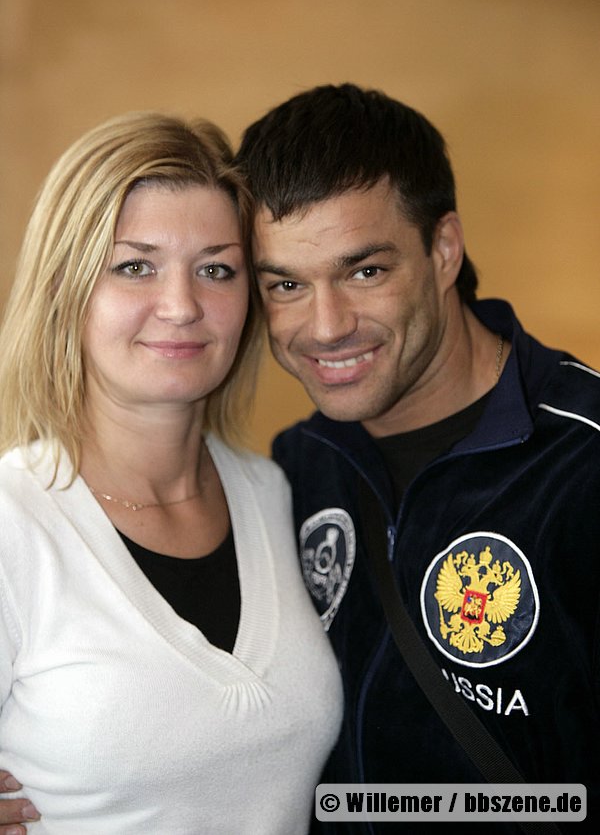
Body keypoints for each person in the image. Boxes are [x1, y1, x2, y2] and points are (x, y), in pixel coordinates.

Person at [236, 83, 600, 832]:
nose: (326, 326)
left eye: (365, 271)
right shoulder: (298, 467)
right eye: (287, 285)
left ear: (443, 250)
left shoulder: (581, 463)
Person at [0, 111, 343, 833]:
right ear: (66, 288)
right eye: (136, 266)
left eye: (216, 269)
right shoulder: (12, 522)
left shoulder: (278, 493)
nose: (183, 306)